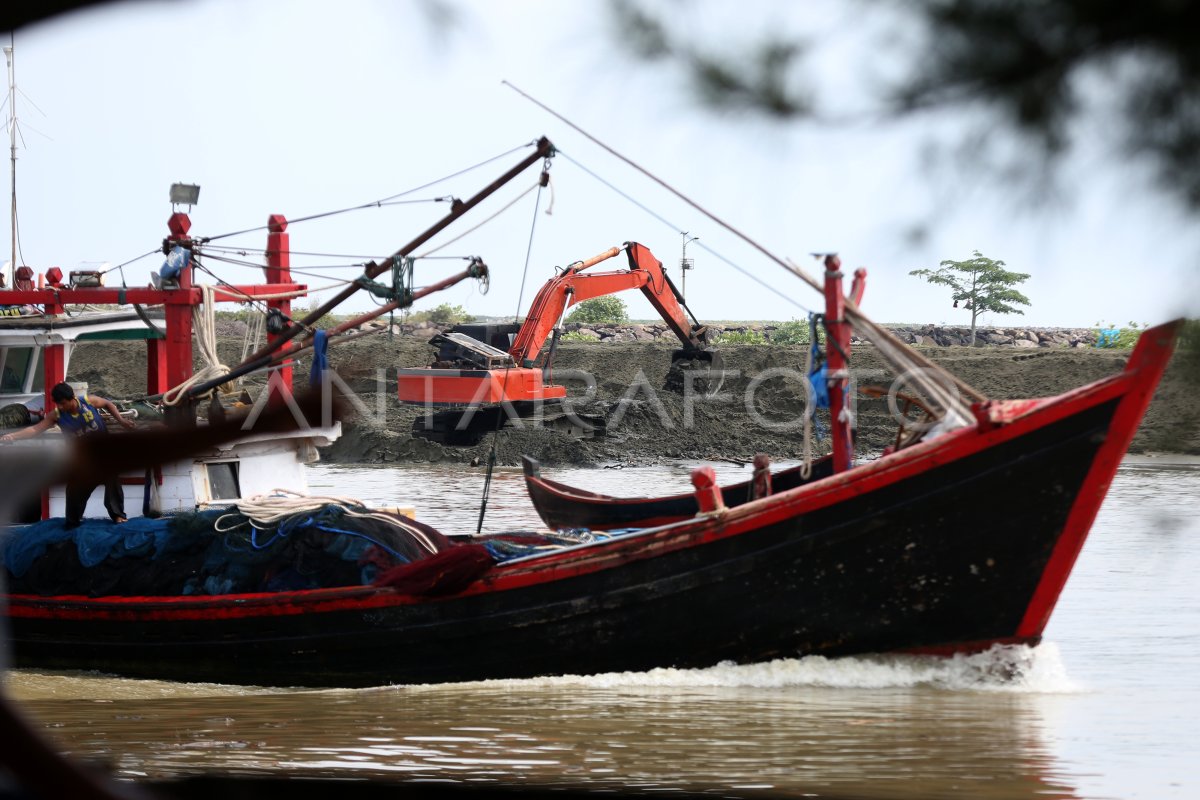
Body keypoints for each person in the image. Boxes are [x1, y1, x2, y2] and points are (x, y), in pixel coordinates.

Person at [0, 382, 136, 527]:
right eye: (57, 404)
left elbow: (108, 404)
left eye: (63, 403)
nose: (60, 407)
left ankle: (118, 516)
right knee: (74, 492)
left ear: (72, 398)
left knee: (111, 478)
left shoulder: (89, 401)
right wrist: (13, 436)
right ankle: (73, 523)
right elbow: (35, 429)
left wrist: (121, 421)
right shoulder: (56, 415)